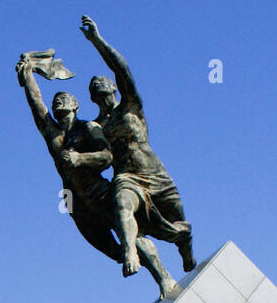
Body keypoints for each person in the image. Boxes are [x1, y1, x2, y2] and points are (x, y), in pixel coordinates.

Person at [16, 54, 178, 297]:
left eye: (64, 98)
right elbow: (36, 103)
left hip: (99, 193)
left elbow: (107, 156)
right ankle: (129, 257)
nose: (58, 100)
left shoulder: (89, 128)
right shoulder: (52, 134)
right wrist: (27, 74)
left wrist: (80, 159)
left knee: (129, 236)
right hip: (75, 203)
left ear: (75, 105)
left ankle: (164, 278)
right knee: (108, 248)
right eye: (56, 100)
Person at [80, 15, 196, 277]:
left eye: (102, 82)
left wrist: (97, 40)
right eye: (93, 86)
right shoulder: (96, 127)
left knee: (180, 224)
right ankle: (130, 251)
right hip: (127, 178)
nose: (98, 84)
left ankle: (185, 250)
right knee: (121, 204)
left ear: (113, 87)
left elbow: (122, 69)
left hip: (155, 173)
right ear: (91, 97)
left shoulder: (131, 105)